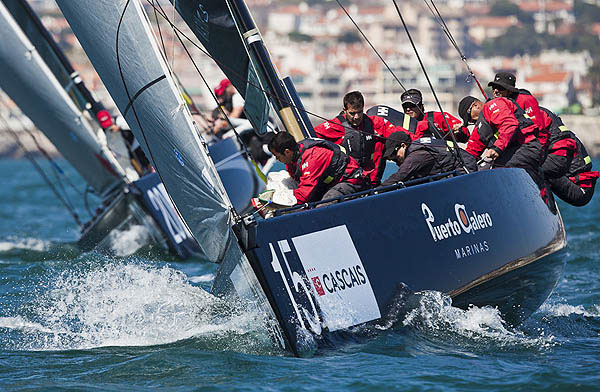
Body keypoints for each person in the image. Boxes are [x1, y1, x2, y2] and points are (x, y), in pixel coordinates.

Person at [314, 91, 408, 187]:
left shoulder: (374, 123)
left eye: (359, 112)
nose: (357, 117)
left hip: (371, 182)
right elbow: (310, 138)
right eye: (352, 113)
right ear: (345, 110)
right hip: (347, 182)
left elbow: (401, 134)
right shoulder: (335, 125)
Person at [458, 95, 543, 187]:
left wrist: (497, 148)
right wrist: (458, 168)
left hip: (525, 147)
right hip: (510, 154)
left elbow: (509, 124)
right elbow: (471, 151)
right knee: (489, 173)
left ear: (475, 106)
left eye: (470, 118)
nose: (472, 121)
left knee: (497, 175)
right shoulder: (479, 128)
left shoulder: (493, 105)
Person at [267, 132, 367, 204]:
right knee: (278, 178)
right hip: (327, 184)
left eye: (278, 156)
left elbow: (304, 194)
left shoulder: (312, 157)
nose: (277, 159)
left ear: (287, 152)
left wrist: (277, 199)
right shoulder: (293, 157)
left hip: (349, 180)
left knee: (322, 208)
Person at [380, 131, 477, 187]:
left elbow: (400, 176)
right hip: (457, 168)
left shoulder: (416, 156)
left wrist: (376, 192)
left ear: (403, 145)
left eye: (395, 154)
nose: (396, 159)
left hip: (464, 168)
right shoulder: (417, 147)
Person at [547, 124, 598, 206]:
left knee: (541, 167)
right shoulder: (561, 134)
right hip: (584, 189)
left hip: (581, 191)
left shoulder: (559, 140)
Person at [400, 89, 470, 142]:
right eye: (405, 106)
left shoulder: (437, 117)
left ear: (421, 106)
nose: (408, 109)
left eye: (412, 105)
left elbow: (465, 135)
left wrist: (459, 132)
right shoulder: (399, 123)